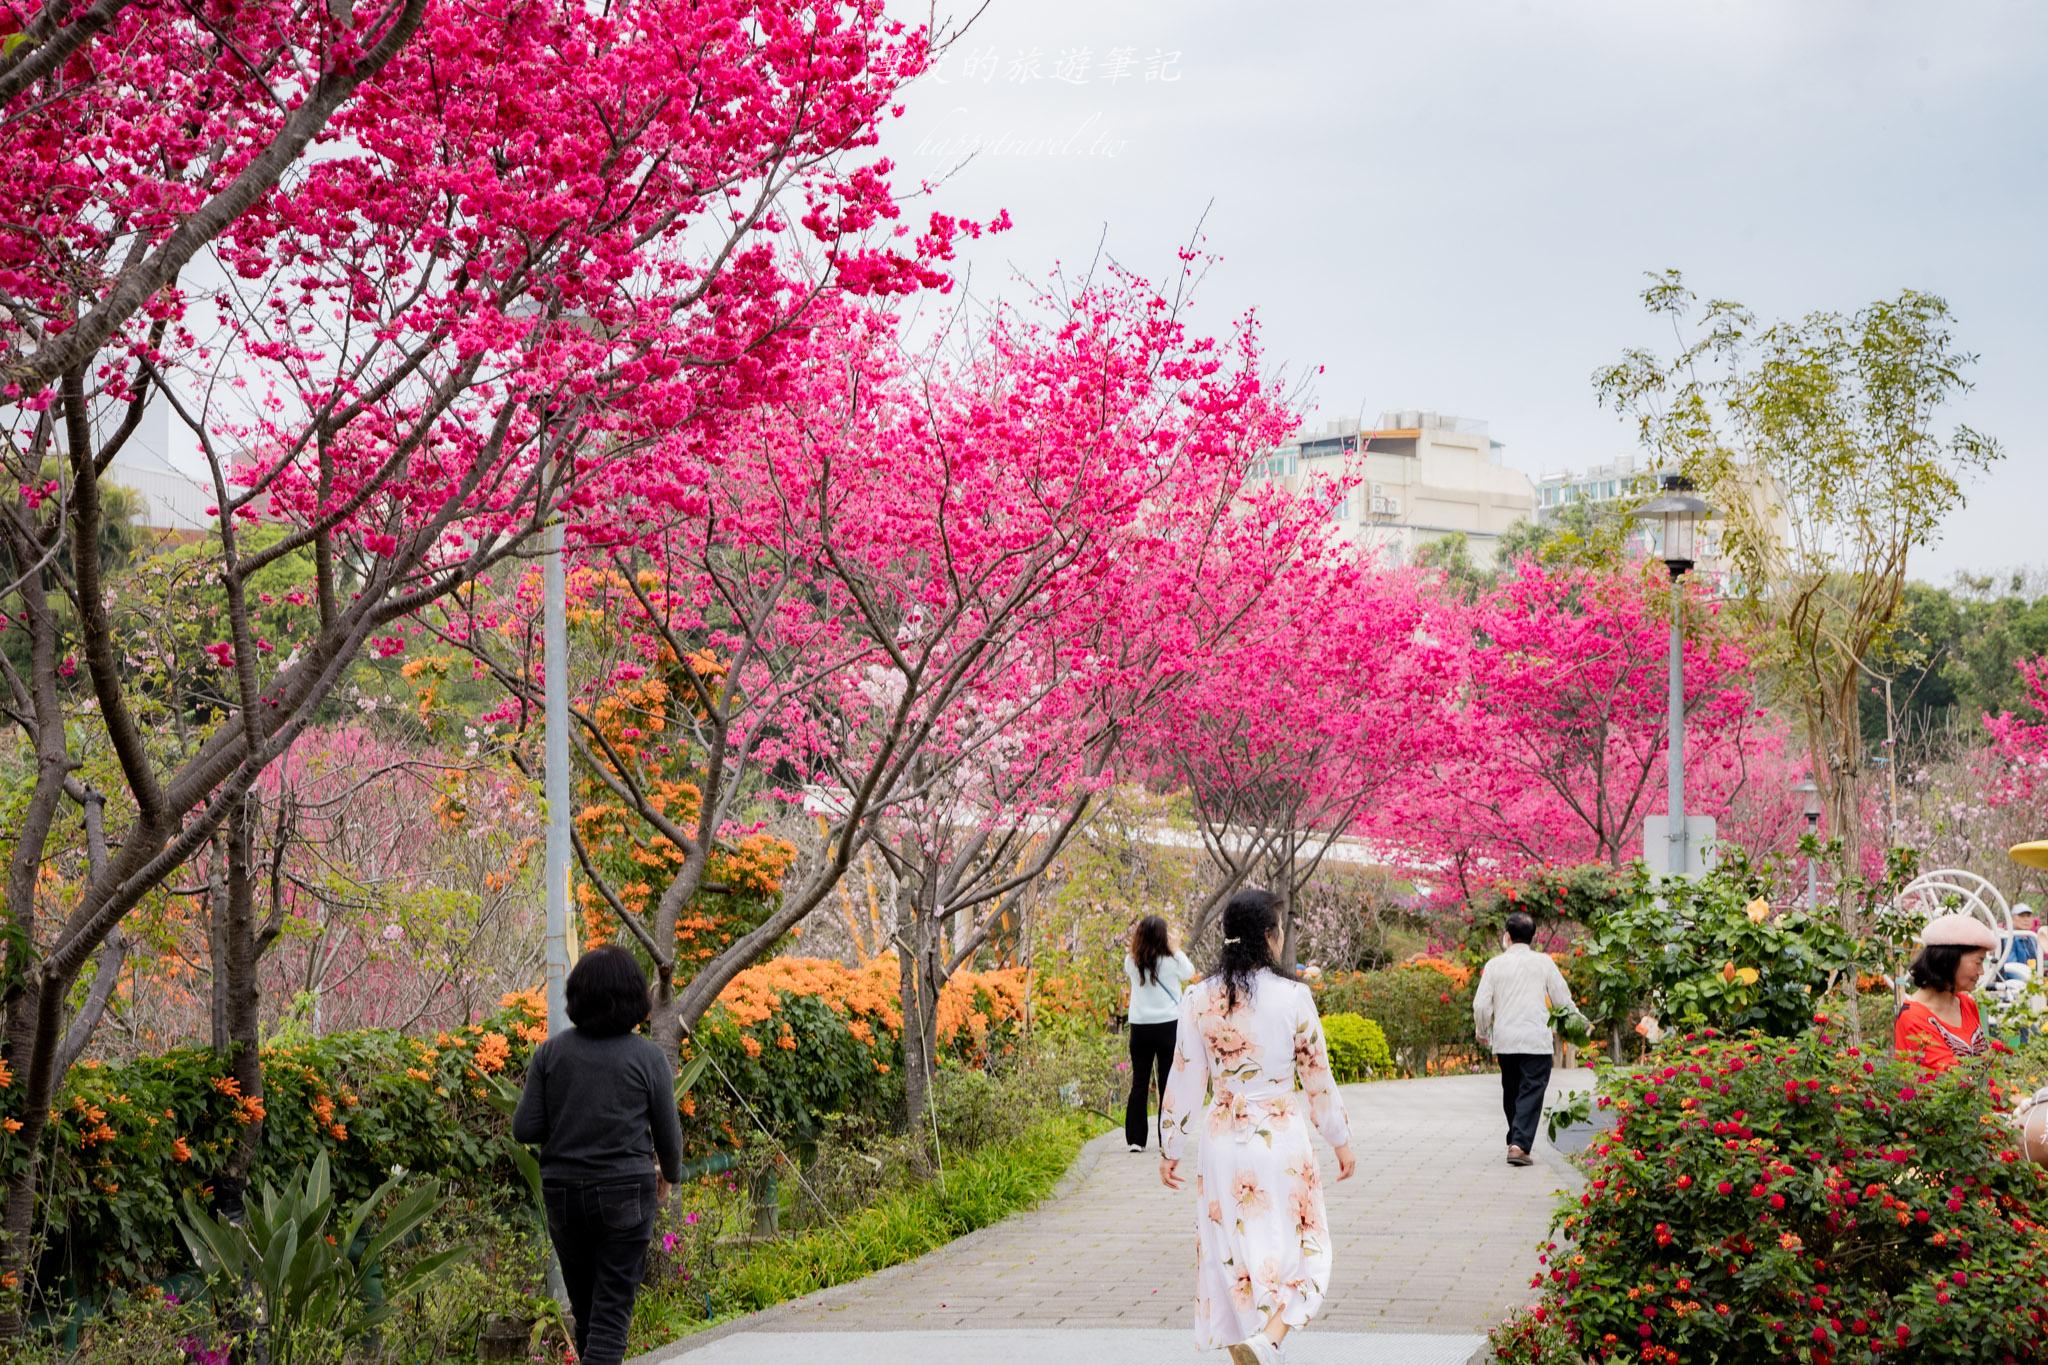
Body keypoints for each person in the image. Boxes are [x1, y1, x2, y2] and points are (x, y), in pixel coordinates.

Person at [1158, 889, 1356, 1365]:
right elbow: (1317, 1077)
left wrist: (1170, 1146)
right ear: (1269, 935)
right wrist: (1340, 1139)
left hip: (1222, 1137)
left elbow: (1184, 1076)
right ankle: (1269, 1342)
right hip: (1280, 1135)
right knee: (1304, 1246)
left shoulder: (1198, 998)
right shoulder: (1293, 997)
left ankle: (1255, 1348)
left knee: (1230, 1256)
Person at [513, 946, 684, 1365]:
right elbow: (669, 1140)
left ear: (577, 996)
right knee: (609, 1323)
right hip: (626, 1193)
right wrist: (670, 1173)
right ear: (633, 999)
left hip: (565, 1196)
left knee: (589, 1315)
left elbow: (524, 1128)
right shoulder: (647, 1058)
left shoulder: (550, 1054)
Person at [1472, 911, 1577, 1168]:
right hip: (1536, 1040)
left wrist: (1483, 1031)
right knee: (1530, 1091)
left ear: (1507, 936)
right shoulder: (1544, 962)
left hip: (1506, 1041)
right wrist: (1578, 1024)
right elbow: (1562, 998)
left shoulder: (1495, 965)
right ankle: (1519, 1145)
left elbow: (1481, 1005)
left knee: (1512, 1091)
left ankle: (1516, 1141)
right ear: (1534, 937)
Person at [1125, 914, 1195, 1152]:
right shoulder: (1173, 960)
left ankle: (1136, 1139)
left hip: (1140, 1027)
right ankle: (1167, 1137)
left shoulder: (1131, 961)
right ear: (1164, 936)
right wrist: (1174, 948)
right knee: (1168, 1082)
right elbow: (1189, 972)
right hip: (1168, 1025)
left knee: (1140, 1082)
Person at [1893, 913, 1997, 1074]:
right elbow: (1953, 1078)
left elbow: (1987, 1067)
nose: (1981, 971)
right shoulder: (1913, 1018)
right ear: (1949, 960)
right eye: (1978, 962)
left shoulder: (1966, 1004)